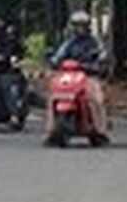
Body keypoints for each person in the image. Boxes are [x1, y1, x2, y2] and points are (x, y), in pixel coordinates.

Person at [46, 11, 109, 144]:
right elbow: (58, 56)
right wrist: (54, 61)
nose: (79, 29)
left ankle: (100, 130)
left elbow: (102, 56)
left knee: (96, 99)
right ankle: (51, 130)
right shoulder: (68, 43)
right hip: (68, 75)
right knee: (53, 97)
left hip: (88, 75)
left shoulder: (94, 43)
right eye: (76, 26)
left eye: (82, 26)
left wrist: (97, 64)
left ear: (88, 27)